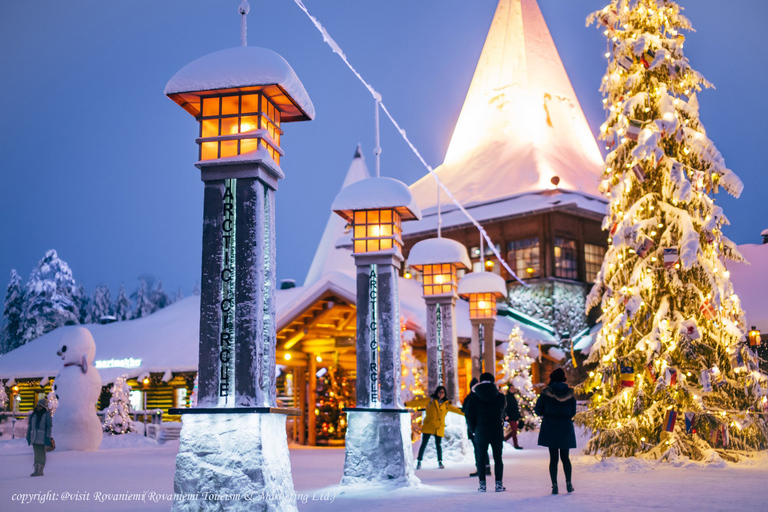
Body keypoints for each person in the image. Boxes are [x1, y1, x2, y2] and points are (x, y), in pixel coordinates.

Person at [535, 368, 576, 495]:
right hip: (565, 427)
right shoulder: (570, 393)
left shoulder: (546, 393)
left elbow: (538, 410)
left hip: (550, 426)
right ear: (564, 378)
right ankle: (569, 483)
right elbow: (573, 412)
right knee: (565, 458)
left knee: (553, 458)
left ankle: (555, 486)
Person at [464, 372, 506, 492]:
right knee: (498, 458)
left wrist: (473, 429)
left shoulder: (473, 396)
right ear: (492, 381)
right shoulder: (499, 396)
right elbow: (502, 410)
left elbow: (469, 414)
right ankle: (498, 484)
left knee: (481, 457)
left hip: (480, 429)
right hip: (496, 429)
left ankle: (482, 485)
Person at [406, 385, 463, 469]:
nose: (441, 394)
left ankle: (440, 462)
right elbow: (418, 403)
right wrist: (406, 404)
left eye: (443, 392)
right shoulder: (430, 401)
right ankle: (419, 461)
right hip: (429, 425)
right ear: (437, 392)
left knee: (438, 445)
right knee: (424, 444)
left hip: (439, 427)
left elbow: (456, 410)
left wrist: (467, 413)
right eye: (440, 392)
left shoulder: (446, 404)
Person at [462, 377, 489, 477]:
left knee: (478, 449)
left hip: (475, 427)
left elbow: (465, 410)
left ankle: (480, 468)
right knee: (483, 448)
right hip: (483, 426)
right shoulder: (482, 396)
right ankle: (486, 467)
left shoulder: (471, 398)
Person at [26, 399, 53, 477]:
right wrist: (28, 436)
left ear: (44, 406)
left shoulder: (46, 415)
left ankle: (40, 470)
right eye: (38, 405)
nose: (38, 407)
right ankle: (36, 470)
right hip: (34, 437)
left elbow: (49, 427)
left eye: (40, 406)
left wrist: (47, 437)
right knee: (36, 454)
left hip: (42, 437)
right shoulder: (33, 415)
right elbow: (30, 426)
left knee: (41, 453)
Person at [504, 385, 523, 449]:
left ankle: (504, 440)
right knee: (514, 430)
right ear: (509, 389)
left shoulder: (513, 397)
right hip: (510, 416)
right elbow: (506, 407)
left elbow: (515, 408)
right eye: (511, 388)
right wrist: (506, 415)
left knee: (514, 430)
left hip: (514, 416)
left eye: (513, 388)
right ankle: (515, 445)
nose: (513, 389)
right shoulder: (507, 397)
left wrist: (518, 416)